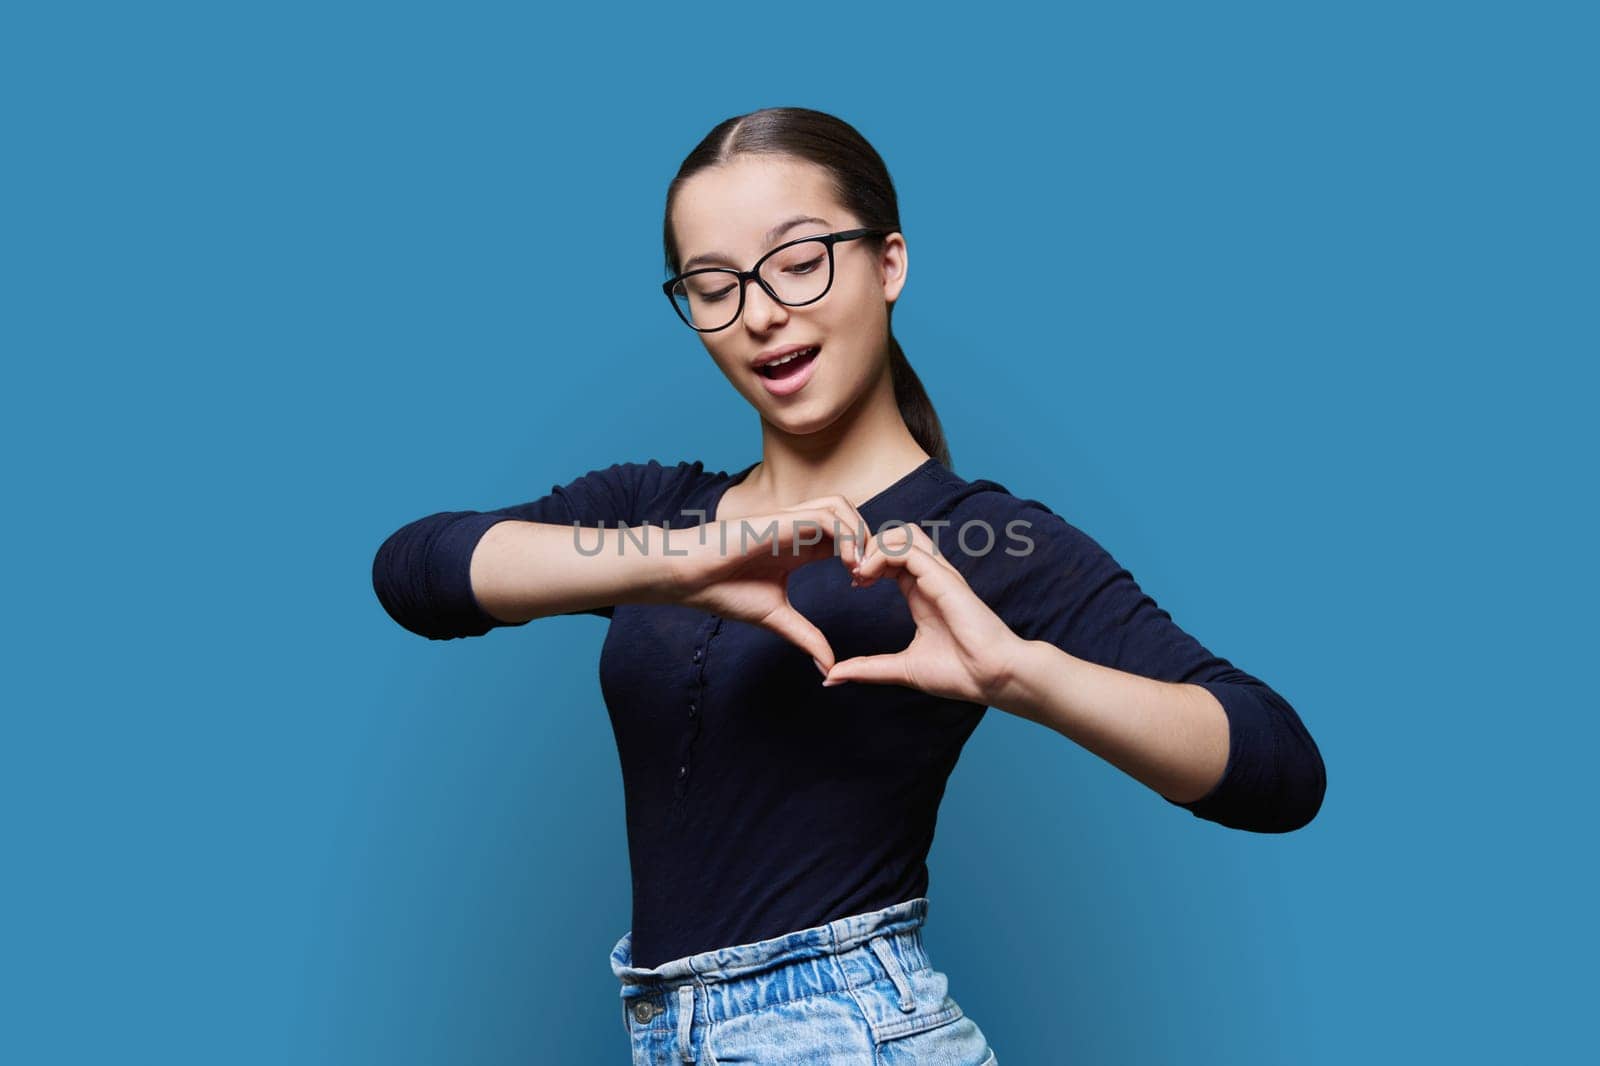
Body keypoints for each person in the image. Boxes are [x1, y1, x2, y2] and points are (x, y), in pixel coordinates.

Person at [371, 106, 1326, 1066]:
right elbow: (420, 572)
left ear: (889, 264)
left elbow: (1278, 768)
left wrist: (1024, 676)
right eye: (714, 285)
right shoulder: (655, 507)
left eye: (799, 261)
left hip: (851, 1033)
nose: (759, 312)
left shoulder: (978, 538)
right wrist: (682, 560)